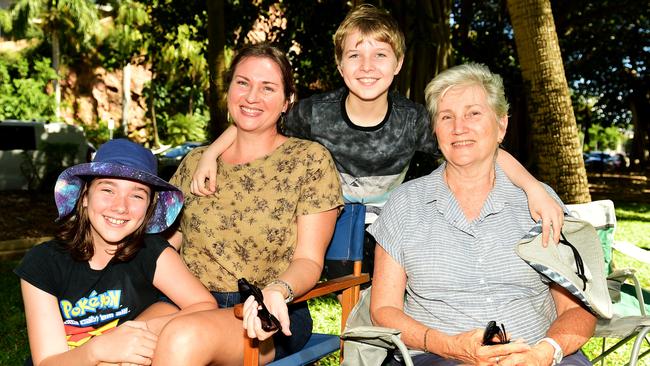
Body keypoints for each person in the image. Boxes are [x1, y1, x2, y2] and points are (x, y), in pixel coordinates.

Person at [189, 5, 564, 283]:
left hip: (387, 229)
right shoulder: (312, 113)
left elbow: (480, 150)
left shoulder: (414, 119)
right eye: (355, 55)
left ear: (398, 63)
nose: (367, 66)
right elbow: (257, 119)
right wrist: (212, 153)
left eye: (380, 55)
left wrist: (533, 188)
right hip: (327, 229)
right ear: (339, 64)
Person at [368, 63, 596, 365]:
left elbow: (576, 309)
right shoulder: (405, 204)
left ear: (501, 125)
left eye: (473, 113)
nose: (458, 127)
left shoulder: (539, 203)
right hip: (438, 356)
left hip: (537, 353)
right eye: (446, 117)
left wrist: (544, 353)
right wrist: (448, 345)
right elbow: (384, 309)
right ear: (435, 130)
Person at [151, 43, 343, 365]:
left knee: (183, 338)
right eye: (243, 83)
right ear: (228, 90)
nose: (252, 97)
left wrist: (276, 291)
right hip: (187, 301)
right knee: (127, 339)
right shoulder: (197, 160)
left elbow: (309, 260)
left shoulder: (308, 160)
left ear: (287, 102)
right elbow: (167, 244)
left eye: (268, 88)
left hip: (263, 310)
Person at [15, 138, 217, 366]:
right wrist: (98, 350)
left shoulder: (152, 251)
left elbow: (204, 305)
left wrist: (137, 334)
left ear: (149, 209)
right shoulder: (43, 262)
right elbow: (47, 362)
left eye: (137, 195)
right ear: (84, 197)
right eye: (108, 190)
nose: (121, 206)